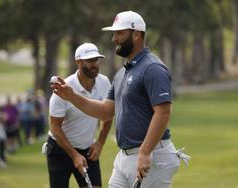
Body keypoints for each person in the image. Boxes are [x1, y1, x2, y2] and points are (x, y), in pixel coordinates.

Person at [51, 11, 190, 188]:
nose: (114, 38)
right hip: (125, 156)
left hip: (152, 156)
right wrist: (71, 96)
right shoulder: (123, 72)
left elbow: (163, 113)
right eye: (114, 33)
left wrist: (145, 152)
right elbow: (105, 111)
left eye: (120, 33)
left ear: (137, 34)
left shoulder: (152, 68)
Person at [45, 43, 112, 188]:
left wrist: (100, 142)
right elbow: (55, 127)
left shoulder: (104, 82)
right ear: (78, 62)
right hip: (60, 149)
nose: (94, 64)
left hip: (87, 149)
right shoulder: (64, 89)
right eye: (89, 60)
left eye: (96, 60)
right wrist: (74, 155)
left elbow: (107, 115)